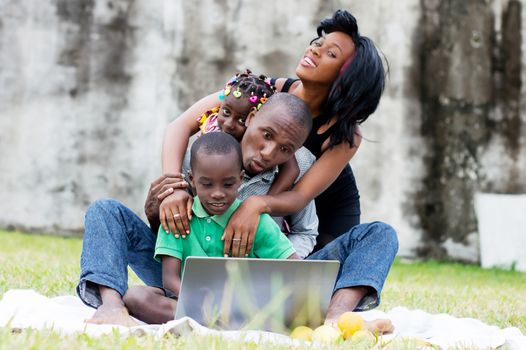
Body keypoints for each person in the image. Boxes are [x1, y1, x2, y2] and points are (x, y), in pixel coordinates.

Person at [77, 93, 397, 331]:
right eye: (266, 135)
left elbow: (304, 232)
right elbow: (174, 230)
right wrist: (158, 209)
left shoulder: (299, 170)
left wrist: (269, 261)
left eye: (286, 149)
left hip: (270, 271)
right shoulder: (206, 149)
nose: (269, 152)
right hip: (187, 272)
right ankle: (111, 306)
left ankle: (334, 318)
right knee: (106, 211)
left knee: (380, 233)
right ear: (251, 120)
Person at [161, 9, 386, 254]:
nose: (314, 50)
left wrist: (255, 204)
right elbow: (180, 126)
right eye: (318, 44)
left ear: (347, 79)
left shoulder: (345, 134)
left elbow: (300, 197)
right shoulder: (266, 91)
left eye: (330, 53)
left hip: (323, 206)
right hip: (271, 193)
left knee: (340, 260)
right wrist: (174, 188)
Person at [123, 132, 298, 324]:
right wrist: (207, 305)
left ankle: (219, 321)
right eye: (207, 184)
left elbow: (294, 268)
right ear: (192, 180)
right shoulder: (178, 217)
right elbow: (170, 280)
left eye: (228, 184)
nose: (217, 193)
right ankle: (220, 321)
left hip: (243, 306)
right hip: (191, 303)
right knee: (135, 297)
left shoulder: (254, 221)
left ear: (240, 179)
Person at [158, 70, 300, 238]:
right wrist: (174, 188)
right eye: (225, 112)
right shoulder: (207, 138)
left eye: (241, 120)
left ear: (253, 119)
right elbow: (177, 127)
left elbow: (292, 169)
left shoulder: (269, 149)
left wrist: (263, 207)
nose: (229, 125)